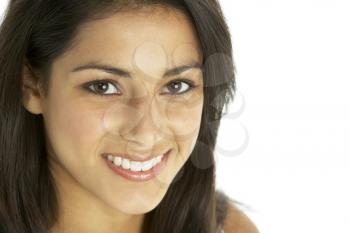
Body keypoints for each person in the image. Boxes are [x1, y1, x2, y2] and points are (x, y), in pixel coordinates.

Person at [0, 0, 259, 233]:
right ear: (31, 85)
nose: (146, 134)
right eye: (104, 86)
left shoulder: (227, 228)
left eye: (176, 86)